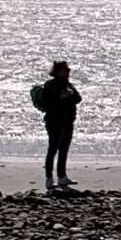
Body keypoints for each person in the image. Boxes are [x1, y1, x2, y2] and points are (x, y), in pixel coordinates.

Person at [32, 60, 82, 192]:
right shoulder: (50, 85)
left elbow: (78, 98)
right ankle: (49, 178)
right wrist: (61, 97)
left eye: (68, 69)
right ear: (58, 72)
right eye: (65, 69)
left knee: (64, 149)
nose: (68, 71)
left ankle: (62, 176)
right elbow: (48, 103)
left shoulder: (68, 85)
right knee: (53, 149)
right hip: (54, 121)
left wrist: (68, 95)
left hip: (68, 121)